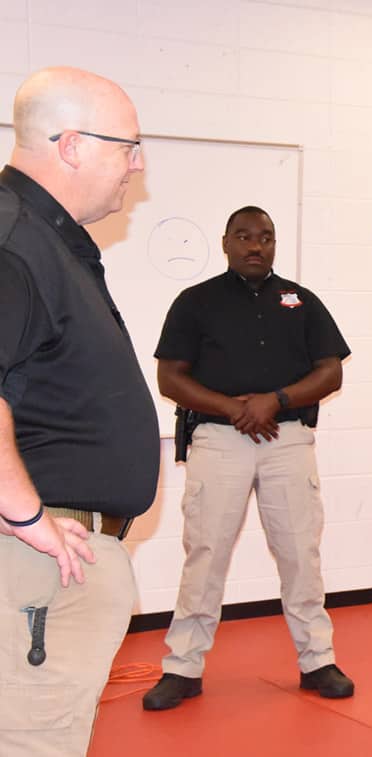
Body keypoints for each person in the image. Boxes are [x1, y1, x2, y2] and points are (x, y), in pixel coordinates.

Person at [0, 66, 159, 755]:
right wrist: (24, 516)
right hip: (37, 562)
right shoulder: (15, 241)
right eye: (129, 146)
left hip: (55, 558)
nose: (138, 164)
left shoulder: (48, 240)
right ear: (71, 145)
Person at [142, 206, 354, 710]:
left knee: (300, 553)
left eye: (266, 237)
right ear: (225, 243)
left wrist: (274, 401)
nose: (256, 246)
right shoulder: (195, 302)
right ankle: (183, 668)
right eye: (244, 237)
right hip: (219, 441)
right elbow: (170, 378)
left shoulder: (301, 301)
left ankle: (317, 660)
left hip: (288, 438)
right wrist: (235, 408)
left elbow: (331, 373)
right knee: (206, 553)